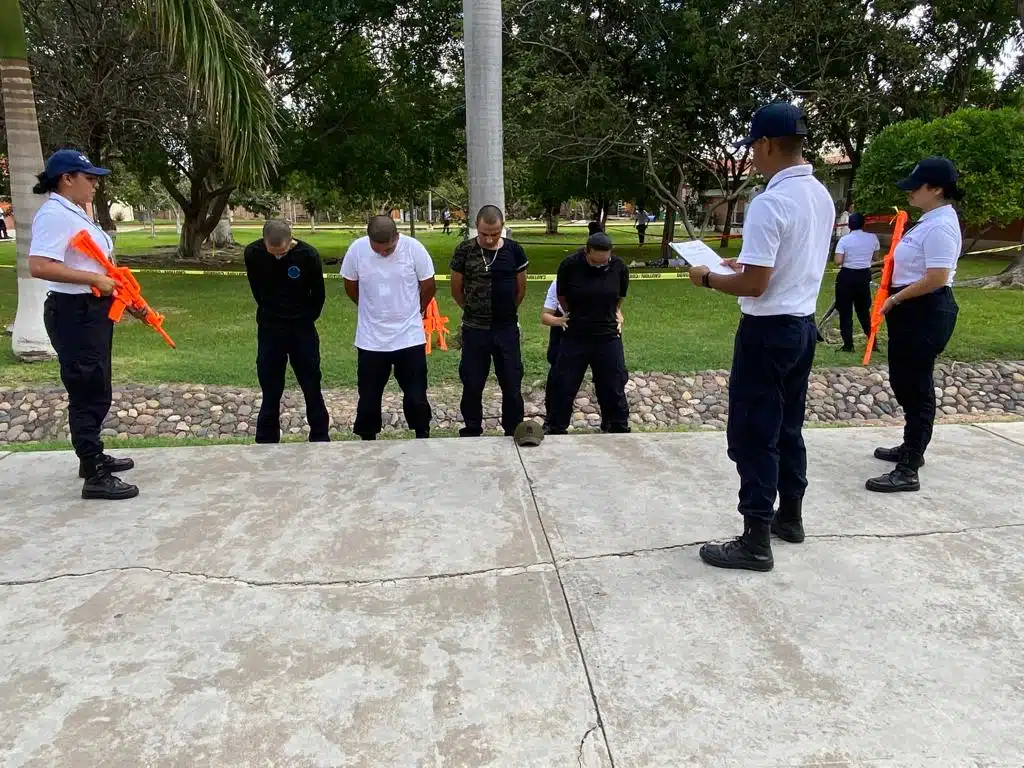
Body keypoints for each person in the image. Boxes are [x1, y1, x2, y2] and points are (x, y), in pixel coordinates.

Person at [687, 102, 834, 572]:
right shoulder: (820, 194)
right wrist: (741, 264)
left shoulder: (771, 201)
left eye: (753, 147)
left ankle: (754, 538)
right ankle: (789, 516)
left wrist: (707, 278)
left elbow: (755, 286)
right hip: (802, 326)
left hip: (767, 331)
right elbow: (778, 264)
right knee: (788, 424)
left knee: (753, 432)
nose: (752, 156)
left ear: (767, 144)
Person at [26, 149, 137, 500]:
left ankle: (92, 454)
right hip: (75, 310)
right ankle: (94, 473)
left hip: (91, 309)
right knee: (87, 387)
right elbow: (40, 265)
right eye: (88, 178)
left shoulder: (75, 213)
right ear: (66, 179)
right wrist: (94, 279)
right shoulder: (55, 215)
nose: (94, 184)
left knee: (97, 383)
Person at [866, 157, 963, 494]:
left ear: (936, 189)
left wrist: (895, 298)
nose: (909, 192)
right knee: (903, 381)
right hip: (910, 309)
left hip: (925, 311)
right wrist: (886, 274)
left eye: (916, 186)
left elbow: (936, 277)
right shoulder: (927, 221)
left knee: (917, 387)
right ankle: (910, 446)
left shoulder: (941, 225)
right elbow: (915, 264)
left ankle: (909, 468)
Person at [341, 215, 436, 440]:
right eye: (378, 250)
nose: (384, 253)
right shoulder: (357, 250)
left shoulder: (414, 249)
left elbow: (429, 285)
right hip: (371, 339)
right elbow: (350, 285)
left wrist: (415, 310)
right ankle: (367, 437)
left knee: (416, 395)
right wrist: (370, 309)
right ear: (369, 240)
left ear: (397, 237)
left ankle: (422, 432)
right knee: (368, 396)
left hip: (409, 337)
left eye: (389, 249)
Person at [244, 219, 330, 443]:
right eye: (272, 251)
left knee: (311, 384)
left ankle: (320, 436)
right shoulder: (253, 253)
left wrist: (302, 318)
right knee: (270, 388)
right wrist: (273, 314)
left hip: (301, 330)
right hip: (270, 329)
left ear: (290, 240)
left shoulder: (308, 256)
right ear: (264, 242)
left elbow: (318, 296)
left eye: (281, 251)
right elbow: (258, 291)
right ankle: (266, 439)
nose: (277, 255)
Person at [450, 205, 528, 436]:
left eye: (494, 234)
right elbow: (456, 289)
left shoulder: (514, 251)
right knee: (472, 382)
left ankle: (513, 428)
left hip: (506, 328)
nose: (489, 239)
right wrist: (472, 309)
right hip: (475, 329)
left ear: (502, 228)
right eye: (484, 234)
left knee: (512, 382)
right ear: (477, 227)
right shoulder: (465, 250)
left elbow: (520, 288)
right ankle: (472, 427)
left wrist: (507, 311)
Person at [547, 232, 630, 434]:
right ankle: (556, 425)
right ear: (587, 252)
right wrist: (570, 314)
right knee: (564, 382)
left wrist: (613, 313)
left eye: (605, 260)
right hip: (576, 333)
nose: (601, 264)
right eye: (596, 261)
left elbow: (620, 297)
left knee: (613, 381)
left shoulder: (619, 267)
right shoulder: (569, 265)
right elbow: (562, 295)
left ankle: (616, 424)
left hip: (607, 333)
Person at [833, 212, 880, 352]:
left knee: (845, 311)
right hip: (863, 276)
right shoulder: (872, 238)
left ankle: (848, 344)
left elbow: (837, 261)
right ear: (863, 224)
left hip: (847, 275)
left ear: (849, 225)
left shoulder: (844, 240)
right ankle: (873, 342)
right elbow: (876, 257)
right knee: (864, 311)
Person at [539, 278, 567, 432]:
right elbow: (545, 317)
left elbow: (616, 306)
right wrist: (560, 321)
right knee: (558, 376)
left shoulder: (610, 273)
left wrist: (618, 316)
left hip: (600, 331)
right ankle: (553, 423)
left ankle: (613, 423)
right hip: (565, 332)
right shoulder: (559, 282)